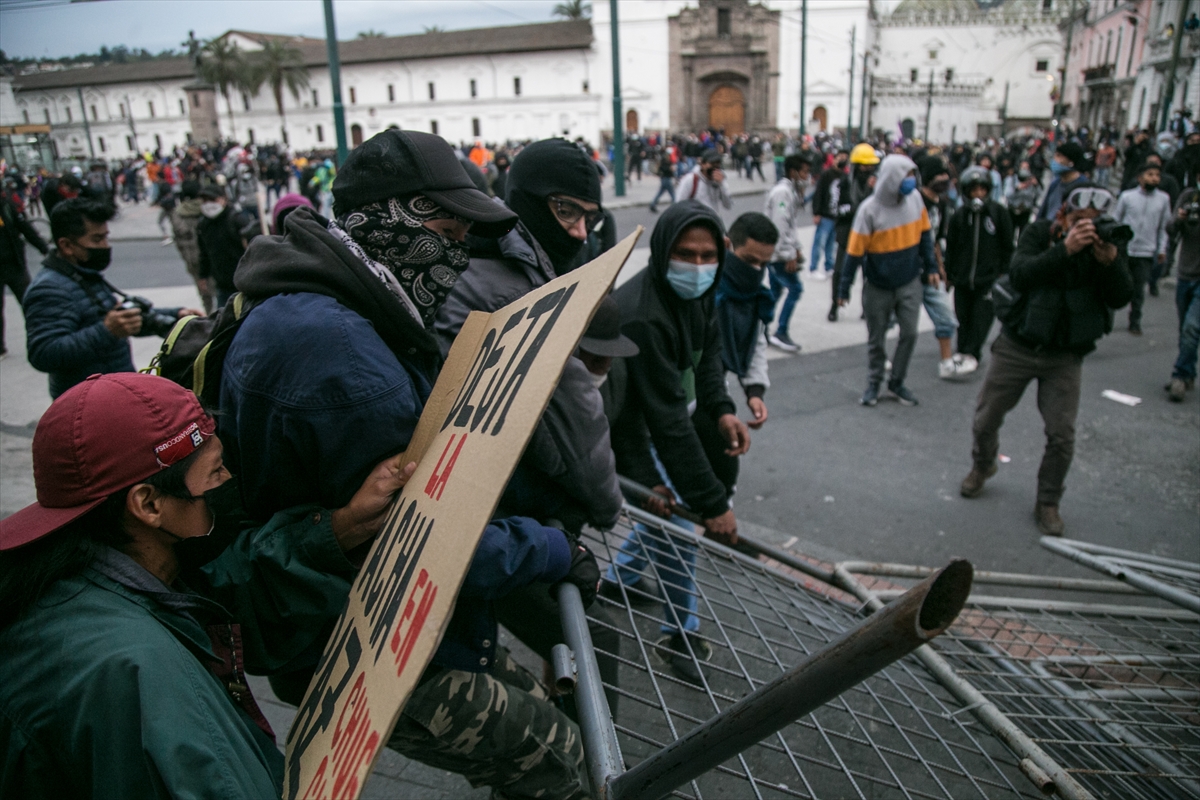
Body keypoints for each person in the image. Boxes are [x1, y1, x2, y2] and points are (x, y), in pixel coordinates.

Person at [218, 129, 594, 798]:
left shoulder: (319, 300)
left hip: (352, 617)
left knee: (540, 729)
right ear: (394, 217)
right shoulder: (345, 357)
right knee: (564, 759)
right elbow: (423, 540)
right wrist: (553, 549)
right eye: (447, 223)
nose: (458, 244)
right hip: (362, 640)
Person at [0, 372, 419, 798]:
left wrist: (343, 527)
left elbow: (224, 594)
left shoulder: (86, 575)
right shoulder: (140, 672)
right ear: (148, 504)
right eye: (215, 472)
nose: (228, 482)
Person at [432, 138, 626, 714]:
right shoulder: (511, 287)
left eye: (590, 218)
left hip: (476, 514)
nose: (578, 233)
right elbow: (574, 423)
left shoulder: (496, 265)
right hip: (479, 523)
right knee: (590, 649)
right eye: (566, 211)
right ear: (528, 202)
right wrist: (606, 505)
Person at [606, 200, 750, 685]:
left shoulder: (697, 295)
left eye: (709, 255)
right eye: (686, 254)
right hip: (632, 431)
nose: (698, 266)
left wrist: (723, 408)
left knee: (663, 514)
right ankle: (679, 634)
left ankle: (618, 578)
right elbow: (661, 423)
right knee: (677, 530)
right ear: (664, 251)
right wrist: (713, 504)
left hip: (663, 420)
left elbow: (709, 358)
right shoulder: (644, 315)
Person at [961, 183, 1133, 535]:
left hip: (1065, 355)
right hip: (1019, 345)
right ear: (1062, 216)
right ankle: (983, 465)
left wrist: (1109, 263)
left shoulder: (1109, 245)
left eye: (1094, 221)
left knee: (1061, 435)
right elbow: (1021, 274)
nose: (1087, 227)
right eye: (1079, 220)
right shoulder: (1041, 234)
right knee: (985, 418)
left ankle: (1049, 501)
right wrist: (1064, 250)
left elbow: (1121, 297)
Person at [23, 199, 201, 399]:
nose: (105, 246)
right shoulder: (49, 289)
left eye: (106, 237)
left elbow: (119, 319)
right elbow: (43, 354)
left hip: (114, 392)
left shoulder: (83, 274)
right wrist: (106, 331)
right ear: (66, 246)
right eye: (97, 240)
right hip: (85, 403)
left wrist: (176, 314)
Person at [837, 154, 938, 407]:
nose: (912, 181)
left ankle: (897, 381)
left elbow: (926, 236)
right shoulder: (869, 210)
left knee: (910, 333)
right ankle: (874, 383)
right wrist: (844, 287)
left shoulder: (915, 200)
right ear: (892, 178)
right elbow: (854, 253)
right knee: (876, 339)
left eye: (913, 175)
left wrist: (931, 267)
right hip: (878, 286)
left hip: (909, 282)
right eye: (907, 175)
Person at [945, 167, 1014, 375]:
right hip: (963, 279)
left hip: (987, 278)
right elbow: (952, 246)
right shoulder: (959, 216)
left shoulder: (998, 214)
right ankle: (962, 350)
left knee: (981, 318)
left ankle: (973, 353)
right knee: (963, 317)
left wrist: (1003, 271)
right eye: (973, 191)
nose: (978, 195)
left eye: (982, 190)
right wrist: (950, 273)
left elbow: (1007, 244)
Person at [716, 212, 778, 429]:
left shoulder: (756, 294)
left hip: (716, 394)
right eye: (749, 260)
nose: (756, 270)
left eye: (763, 263)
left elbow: (755, 340)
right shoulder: (706, 288)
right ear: (728, 247)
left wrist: (755, 393)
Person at [915, 155, 963, 379]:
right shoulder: (914, 201)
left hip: (931, 269)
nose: (945, 180)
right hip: (910, 269)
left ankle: (946, 361)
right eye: (940, 176)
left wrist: (940, 267)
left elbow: (936, 240)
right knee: (894, 318)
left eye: (947, 176)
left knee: (944, 315)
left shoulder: (943, 204)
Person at [1113, 162, 1171, 335]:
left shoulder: (1163, 199)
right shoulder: (1127, 197)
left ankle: (1135, 320)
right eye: (1150, 174)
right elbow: (1117, 221)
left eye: (1157, 175)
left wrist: (1161, 249)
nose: (1154, 178)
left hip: (1146, 251)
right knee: (1116, 285)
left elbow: (1163, 227)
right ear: (1140, 178)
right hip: (1125, 250)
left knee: (1138, 289)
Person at [763, 154, 811, 352]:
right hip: (778, 254)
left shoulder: (789, 191)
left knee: (775, 291)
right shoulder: (783, 193)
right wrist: (788, 254)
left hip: (779, 252)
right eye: (804, 172)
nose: (807, 176)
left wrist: (796, 247)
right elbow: (780, 226)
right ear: (793, 172)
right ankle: (780, 332)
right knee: (795, 289)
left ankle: (760, 328)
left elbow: (790, 225)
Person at [829, 143, 880, 322]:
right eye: (865, 166)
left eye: (871, 166)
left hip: (869, 236)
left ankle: (866, 307)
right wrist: (856, 209)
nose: (868, 170)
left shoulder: (876, 185)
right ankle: (835, 304)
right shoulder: (842, 183)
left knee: (868, 274)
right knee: (840, 271)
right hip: (847, 235)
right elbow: (835, 209)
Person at [0, 189, 49, 359]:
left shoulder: (7, 206)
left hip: (15, 265)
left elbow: (25, 228)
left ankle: (40, 339)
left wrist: (43, 248)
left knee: (30, 303)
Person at [1166, 186, 1200, 401]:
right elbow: (1170, 228)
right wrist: (1180, 218)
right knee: (1185, 329)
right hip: (1186, 272)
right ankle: (1188, 372)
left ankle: (1179, 375)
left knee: (1191, 326)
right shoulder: (1189, 197)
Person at [196, 186, 252, 309]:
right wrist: (203, 275)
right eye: (205, 201)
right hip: (222, 285)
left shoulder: (237, 220)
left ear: (223, 200)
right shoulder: (203, 225)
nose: (208, 204)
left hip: (244, 283)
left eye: (212, 200)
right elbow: (204, 252)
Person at [168, 179, 215, 314]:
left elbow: (178, 240)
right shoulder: (206, 210)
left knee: (204, 292)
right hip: (211, 258)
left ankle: (208, 315)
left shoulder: (178, 213)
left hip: (191, 259)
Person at [810, 151, 845, 279]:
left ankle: (829, 266)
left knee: (831, 243)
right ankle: (813, 268)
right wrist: (817, 212)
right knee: (819, 241)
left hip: (836, 215)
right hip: (825, 214)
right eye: (839, 158)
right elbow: (818, 193)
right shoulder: (826, 174)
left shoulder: (843, 175)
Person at [1036, 142, 1090, 222]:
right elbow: (1043, 211)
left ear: (1071, 162)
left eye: (1059, 156)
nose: (1055, 160)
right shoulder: (1056, 183)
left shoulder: (1083, 187)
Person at [677, 150, 732, 214]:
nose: (716, 167)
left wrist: (721, 185)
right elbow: (679, 205)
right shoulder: (690, 180)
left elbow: (728, 205)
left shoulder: (720, 180)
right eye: (712, 163)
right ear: (703, 165)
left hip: (713, 220)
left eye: (718, 163)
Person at [649, 148, 677, 213]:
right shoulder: (665, 160)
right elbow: (664, 169)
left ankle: (653, 204)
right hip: (666, 178)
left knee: (660, 193)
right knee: (672, 194)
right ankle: (674, 207)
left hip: (664, 178)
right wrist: (670, 169)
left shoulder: (665, 159)